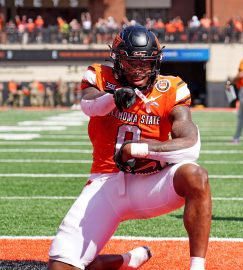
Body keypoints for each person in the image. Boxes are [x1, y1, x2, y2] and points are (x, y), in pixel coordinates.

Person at [48, 25, 212, 270]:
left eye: (144, 63)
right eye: (129, 63)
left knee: (195, 175)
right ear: (116, 60)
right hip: (106, 183)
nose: (137, 70)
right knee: (61, 267)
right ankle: (126, 260)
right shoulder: (101, 76)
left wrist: (138, 149)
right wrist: (112, 98)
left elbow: (190, 145)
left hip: (152, 183)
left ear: (155, 62)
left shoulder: (171, 89)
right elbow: (88, 105)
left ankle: (197, 267)